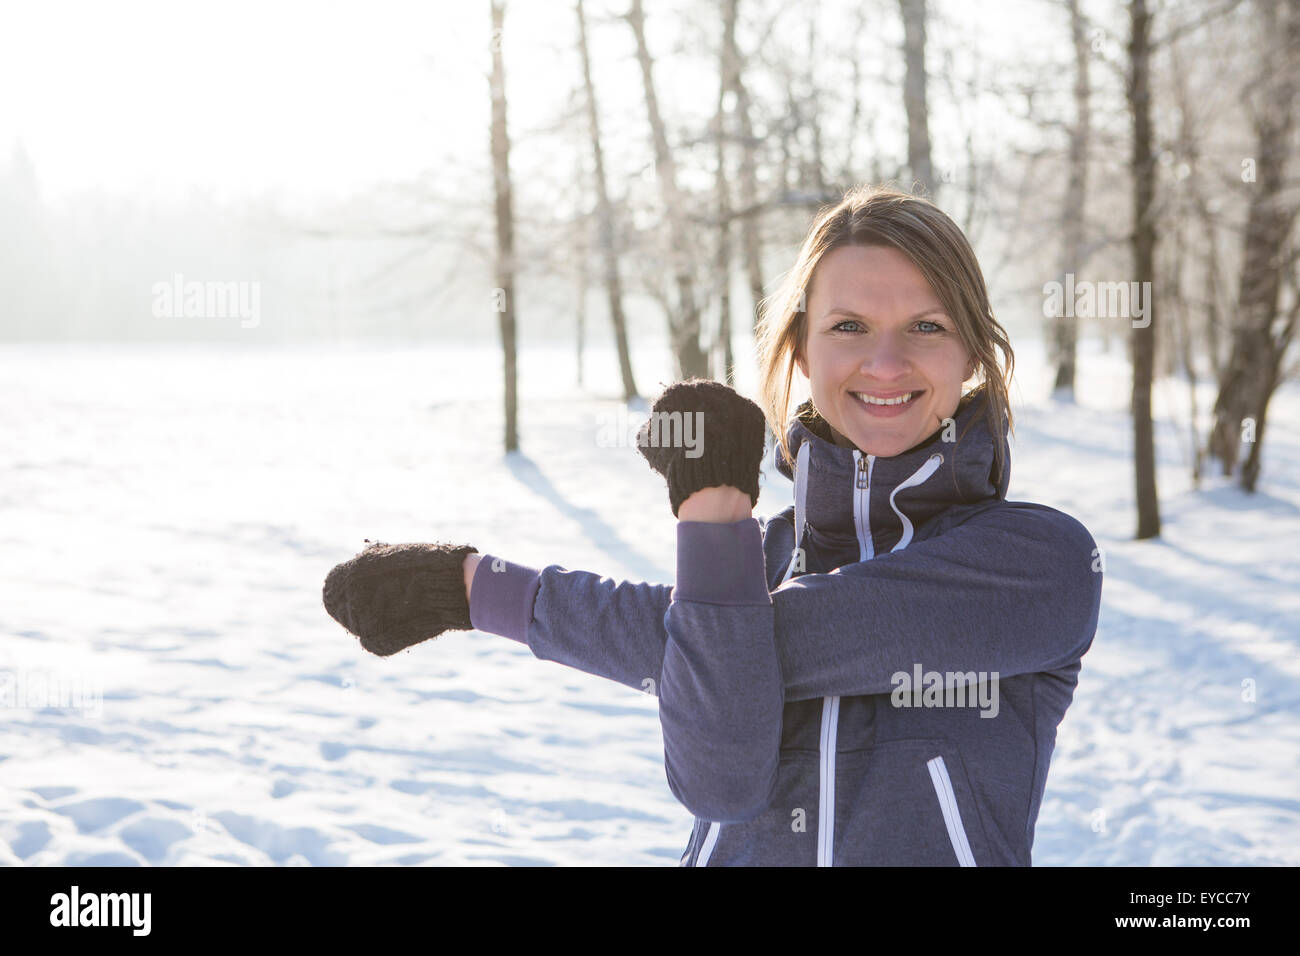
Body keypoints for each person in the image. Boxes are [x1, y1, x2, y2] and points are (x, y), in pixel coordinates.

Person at [322, 184, 1104, 866]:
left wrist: (480, 589)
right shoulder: (754, 561)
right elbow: (718, 783)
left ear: (972, 351)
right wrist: (720, 549)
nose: (888, 363)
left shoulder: (1039, 562)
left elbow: (735, 655)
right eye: (849, 327)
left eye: (927, 327)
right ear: (799, 348)